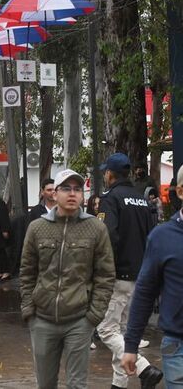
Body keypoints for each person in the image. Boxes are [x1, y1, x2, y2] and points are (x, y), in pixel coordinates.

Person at [20, 168, 115, 389]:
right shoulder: (37, 228)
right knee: (45, 384)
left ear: (82, 195)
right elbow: (27, 271)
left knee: (77, 385)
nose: (72, 193)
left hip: (79, 320)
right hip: (42, 319)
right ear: (54, 194)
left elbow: (106, 275)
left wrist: (94, 315)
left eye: (77, 189)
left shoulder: (96, 228)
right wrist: (28, 310)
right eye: (66, 188)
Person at [96, 153, 163, 389]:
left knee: (105, 330)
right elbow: (152, 237)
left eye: (105, 171)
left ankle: (145, 368)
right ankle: (119, 384)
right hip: (139, 276)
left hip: (116, 276)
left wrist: (101, 272)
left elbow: (107, 237)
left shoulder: (110, 199)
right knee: (121, 333)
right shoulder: (141, 200)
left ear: (111, 175)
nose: (104, 175)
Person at [122, 164, 183, 388]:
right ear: (181, 191)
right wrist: (131, 346)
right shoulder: (162, 237)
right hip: (178, 347)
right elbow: (145, 293)